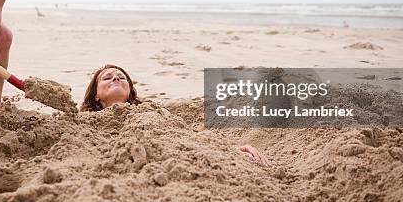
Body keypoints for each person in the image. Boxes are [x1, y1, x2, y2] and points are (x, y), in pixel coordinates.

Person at [80, 64, 271, 167]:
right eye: (107, 77)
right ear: (96, 94)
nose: (115, 78)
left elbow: (185, 138)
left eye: (121, 77)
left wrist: (231, 150)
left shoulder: (152, 112)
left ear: (130, 92)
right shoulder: (81, 123)